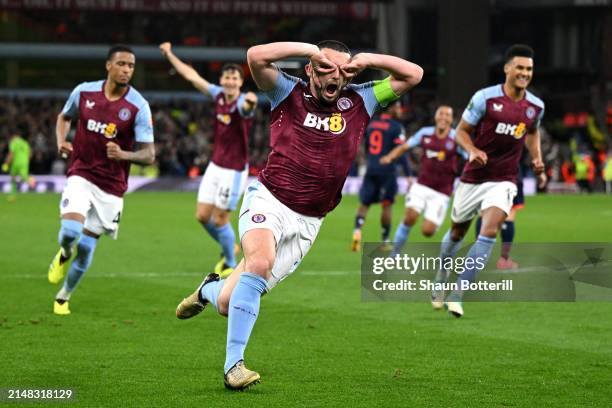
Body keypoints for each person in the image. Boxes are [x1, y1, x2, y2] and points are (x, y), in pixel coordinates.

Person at [175, 40, 423, 390]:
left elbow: (414, 74)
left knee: (230, 304)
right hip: (270, 200)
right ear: (310, 69)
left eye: (341, 69)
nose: (334, 75)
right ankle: (235, 367)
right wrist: (309, 49)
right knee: (259, 263)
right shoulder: (287, 90)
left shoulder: (362, 98)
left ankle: (208, 291)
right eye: (324, 67)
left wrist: (367, 60)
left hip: (310, 220)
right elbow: (254, 57)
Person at [434, 44, 546, 317]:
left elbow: (531, 133)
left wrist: (537, 159)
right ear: (507, 68)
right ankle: (440, 279)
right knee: (458, 232)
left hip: (504, 179)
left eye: (529, 69)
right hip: (473, 178)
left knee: (490, 230)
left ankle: (458, 294)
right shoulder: (485, 99)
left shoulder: (535, 106)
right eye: (519, 67)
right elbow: (461, 131)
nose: (524, 73)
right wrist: (472, 150)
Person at [47, 45, 155, 315]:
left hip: (112, 187)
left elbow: (149, 155)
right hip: (81, 173)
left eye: (131, 66)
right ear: (108, 65)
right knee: (71, 233)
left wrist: (123, 154)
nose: (126, 69)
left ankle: (64, 296)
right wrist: (61, 141)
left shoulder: (138, 106)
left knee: (86, 249)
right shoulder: (84, 92)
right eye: (121, 64)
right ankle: (63, 252)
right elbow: (64, 117)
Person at [160, 42, 258, 278]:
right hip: (215, 166)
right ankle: (230, 247)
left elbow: (247, 108)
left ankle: (230, 262)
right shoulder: (218, 95)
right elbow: (192, 76)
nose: (231, 81)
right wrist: (169, 54)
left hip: (234, 171)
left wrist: (251, 102)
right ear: (222, 80)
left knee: (220, 218)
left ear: (240, 82)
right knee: (202, 217)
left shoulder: (242, 102)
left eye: (235, 78)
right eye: (227, 77)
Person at [380, 105, 466, 260]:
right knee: (409, 218)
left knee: (428, 231)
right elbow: (404, 146)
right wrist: (390, 157)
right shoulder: (424, 133)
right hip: (421, 185)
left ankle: (453, 241)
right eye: (441, 114)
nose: (443, 117)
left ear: (451, 120)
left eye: (447, 115)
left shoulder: (457, 138)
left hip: (442, 192)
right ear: (436, 116)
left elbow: (469, 158)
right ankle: (394, 255)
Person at [351, 101, 409, 252]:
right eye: (398, 107)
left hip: (371, 168)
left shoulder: (372, 124)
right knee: (386, 204)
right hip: (387, 171)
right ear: (391, 109)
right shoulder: (396, 127)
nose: (400, 110)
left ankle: (357, 231)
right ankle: (385, 239)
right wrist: (408, 174)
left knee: (364, 203)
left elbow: (367, 147)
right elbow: (401, 152)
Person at [2, 133, 34, 201]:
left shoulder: (13, 142)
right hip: (25, 162)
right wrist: (26, 160)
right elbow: (30, 154)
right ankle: (30, 180)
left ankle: (12, 196)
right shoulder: (25, 143)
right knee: (24, 175)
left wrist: (6, 164)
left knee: (13, 178)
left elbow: (11, 154)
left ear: (14, 137)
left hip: (16, 162)